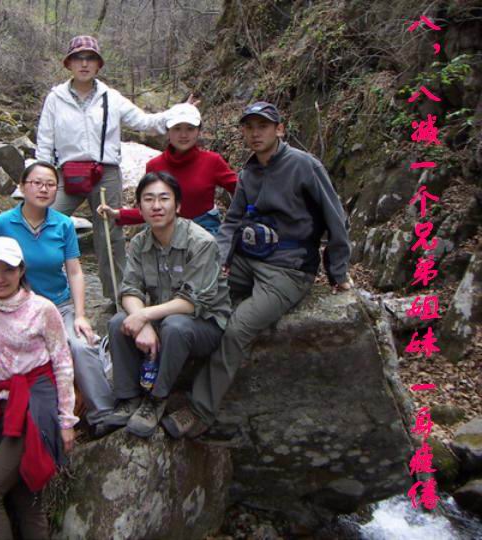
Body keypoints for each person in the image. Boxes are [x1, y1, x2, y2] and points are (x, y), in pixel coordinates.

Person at [161, 101, 353, 439]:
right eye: (249, 127)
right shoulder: (249, 172)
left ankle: (200, 410)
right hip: (247, 260)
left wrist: (337, 271)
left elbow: (335, 218)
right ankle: (160, 381)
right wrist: (219, 260)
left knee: (237, 328)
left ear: (279, 129)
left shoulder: (304, 165)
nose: (255, 133)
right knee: (195, 293)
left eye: (262, 126)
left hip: (289, 268)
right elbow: (232, 221)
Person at [36, 35, 192, 303]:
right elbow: (45, 139)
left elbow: (145, 122)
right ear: (69, 64)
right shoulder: (55, 98)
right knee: (42, 222)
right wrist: (41, 176)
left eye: (90, 58)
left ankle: (120, 297)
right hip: (66, 173)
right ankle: (41, 290)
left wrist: (180, 112)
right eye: (78, 58)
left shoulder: (111, 97)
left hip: (105, 173)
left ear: (98, 65)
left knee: (109, 234)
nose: (84, 64)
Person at [0, 161, 114, 437]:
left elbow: (74, 271)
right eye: (37, 183)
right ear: (22, 187)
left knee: (80, 345)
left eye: (50, 184)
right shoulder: (0, 224)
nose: (44, 189)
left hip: (58, 305)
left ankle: (103, 413)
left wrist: (80, 315)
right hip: (14, 306)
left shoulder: (63, 224)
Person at [102, 171, 231, 438]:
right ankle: (129, 397)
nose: (156, 206)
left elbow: (192, 302)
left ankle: (157, 399)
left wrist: (145, 316)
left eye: (164, 198)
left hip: (203, 323)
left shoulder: (201, 242)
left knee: (174, 326)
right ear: (140, 208)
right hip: (164, 315)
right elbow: (129, 290)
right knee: (118, 322)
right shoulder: (140, 242)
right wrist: (143, 322)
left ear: (178, 205)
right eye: (148, 199)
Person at [0, 236, 77, 540]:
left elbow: (62, 362)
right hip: (2, 400)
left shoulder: (42, 309)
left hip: (35, 402)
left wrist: (66, 420)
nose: (0, 278)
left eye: (8, 269)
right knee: (25, 496)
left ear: (21, 271)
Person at [97, 103, 237, 235]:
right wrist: (117, 214)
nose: (183, 135)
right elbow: (150, 210)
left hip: (204, 230)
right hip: (164, 232)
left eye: (190, 128)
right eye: (177, 128)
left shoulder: (212, 161)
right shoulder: (155, 166)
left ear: (198, 131)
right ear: (167, 131)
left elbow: (241, 190)